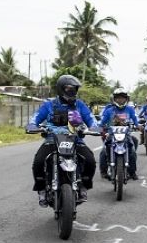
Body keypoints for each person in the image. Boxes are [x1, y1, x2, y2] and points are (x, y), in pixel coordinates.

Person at [26, 74, 98, 205]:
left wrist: (94, 128)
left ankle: (83, 186)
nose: (72, 92)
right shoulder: (49, 104)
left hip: (75, 141)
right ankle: (41, 189)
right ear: (61, 89)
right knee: (38, 162)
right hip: (52, 140)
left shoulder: (80, 105)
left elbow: (91, 119)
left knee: (90, 161)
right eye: (69, 89)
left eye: (74, 89)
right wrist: (32, 126)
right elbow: (35, 118)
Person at [99, 87, 140, 181]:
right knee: (103, 152)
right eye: (118, 98)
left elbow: (134, 119)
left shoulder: (130, 109)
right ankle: (103, 171)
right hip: (112, 135)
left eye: (122, 98)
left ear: (126, 99)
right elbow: (101, 122)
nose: (120, 100)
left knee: (132, 152)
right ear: (114, 99)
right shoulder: (109, 110)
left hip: (126, 135)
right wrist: (98, 128)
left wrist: (138, 125)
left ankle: (132, 172)